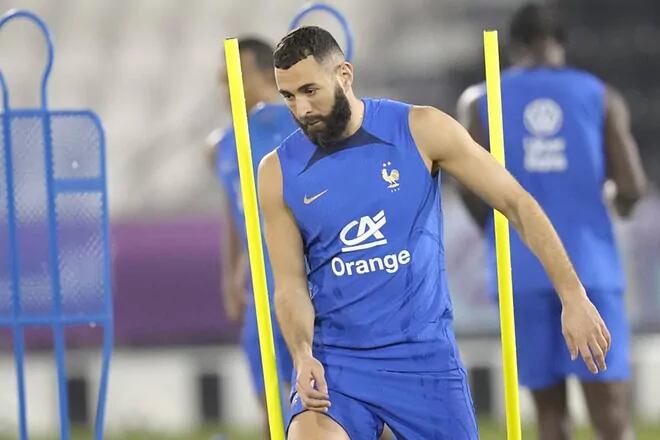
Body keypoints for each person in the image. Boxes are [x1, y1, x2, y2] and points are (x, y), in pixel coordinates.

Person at [258, 25, 611, 440]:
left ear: (344, 75)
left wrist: (573, 294)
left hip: (425, 361)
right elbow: (289, 286)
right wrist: (302, 356)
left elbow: (518, 204)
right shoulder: (277, 172)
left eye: (310, 91)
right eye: (288, 97)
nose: (301, 109)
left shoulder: (420, 128)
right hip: (338, 365)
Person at [457, 4, 647, 440]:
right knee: (611, 415)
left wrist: (493, 230)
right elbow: (633, 187)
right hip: (589, 268)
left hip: (519, 271)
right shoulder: (599, 95)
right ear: (560, 43)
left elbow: (468, 188)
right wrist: (615, 202)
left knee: (548, 416)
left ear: (514, 46)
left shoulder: (479, 100)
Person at [212, 37, 297, 438]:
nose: (223, 82)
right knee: (269, 404)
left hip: (308, 286)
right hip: (259, 293)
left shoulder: (298, 127)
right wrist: (230, 274)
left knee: (335, 401)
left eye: (235, 73)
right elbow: (234, 212)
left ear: (267, 74)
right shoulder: (221, 146)